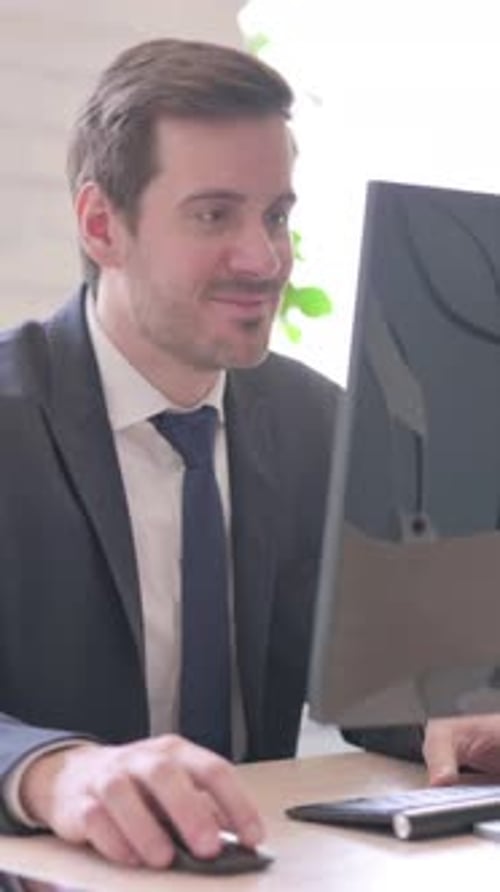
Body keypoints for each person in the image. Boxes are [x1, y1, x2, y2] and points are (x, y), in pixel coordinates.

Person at [0, 37, 339, 868]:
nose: (265, 259)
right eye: (214, 214)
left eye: (276, 215)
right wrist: (50, 771)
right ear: (100, 224)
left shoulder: (318, 421)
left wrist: (449, 712)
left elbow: (361, 674)